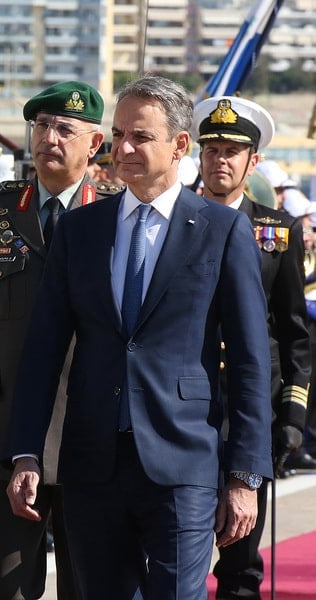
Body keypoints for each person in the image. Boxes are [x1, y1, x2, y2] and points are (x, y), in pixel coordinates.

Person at [4, 75, 273, 599]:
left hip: (182, 461)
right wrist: (26, 452)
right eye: (119, 133)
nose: (123, 148)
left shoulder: (221, 229)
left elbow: (249, 362)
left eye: (140, 137)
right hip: (92, 462)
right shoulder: (82, 231)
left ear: (178, 145)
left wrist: (244, 475)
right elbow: (43, 350)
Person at [0, 80, 114, 600]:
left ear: (94, 145)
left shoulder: (116, 214)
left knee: (88, 580)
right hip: (7, 427)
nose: (49, 137)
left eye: (65, 129)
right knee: (5, 583)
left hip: (89, 424)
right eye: (42, 125)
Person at [191, 95, 311, 599]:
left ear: (252, 161)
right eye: (212, 148)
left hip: (250, 411)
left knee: (241, 566)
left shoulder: (277, 231)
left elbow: (293, 334)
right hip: (186, 407)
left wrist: (291, 416)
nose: (221, 159)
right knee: (175, 554)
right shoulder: (177, 221)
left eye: (231, 151)